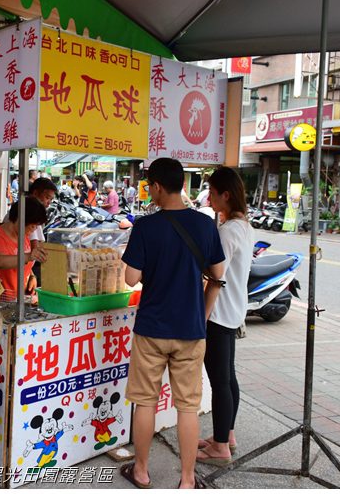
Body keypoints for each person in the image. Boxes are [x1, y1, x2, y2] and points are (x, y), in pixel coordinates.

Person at [120, 157, 225, 489]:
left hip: (151, 328)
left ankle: (141, 470)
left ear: (158, 187)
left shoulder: (146, 226)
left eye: (149, 185)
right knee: (187, 407)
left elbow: (130, 278)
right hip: (190, 329)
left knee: (146, 401)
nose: (149, 191)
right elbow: (218, 275)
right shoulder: (205, 224)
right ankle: (187, 479)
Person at [196, 167, 254, 465]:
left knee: (220, 381)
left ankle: (219, 446)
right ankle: (226, 435)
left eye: (212, 192)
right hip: (232, 310)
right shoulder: (242, 226)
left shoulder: (228, 231)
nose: (209, 197)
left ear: (226, 195)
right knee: (227, 377)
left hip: (218, 313)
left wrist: (203, 315)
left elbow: (215, 277)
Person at [0, 197, 48, 302]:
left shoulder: (23, 235)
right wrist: (29, 256)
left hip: (14, 299)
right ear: (20, 220)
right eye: (32, 226)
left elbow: (20, 258)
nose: (34, 230)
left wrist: (31, 275)